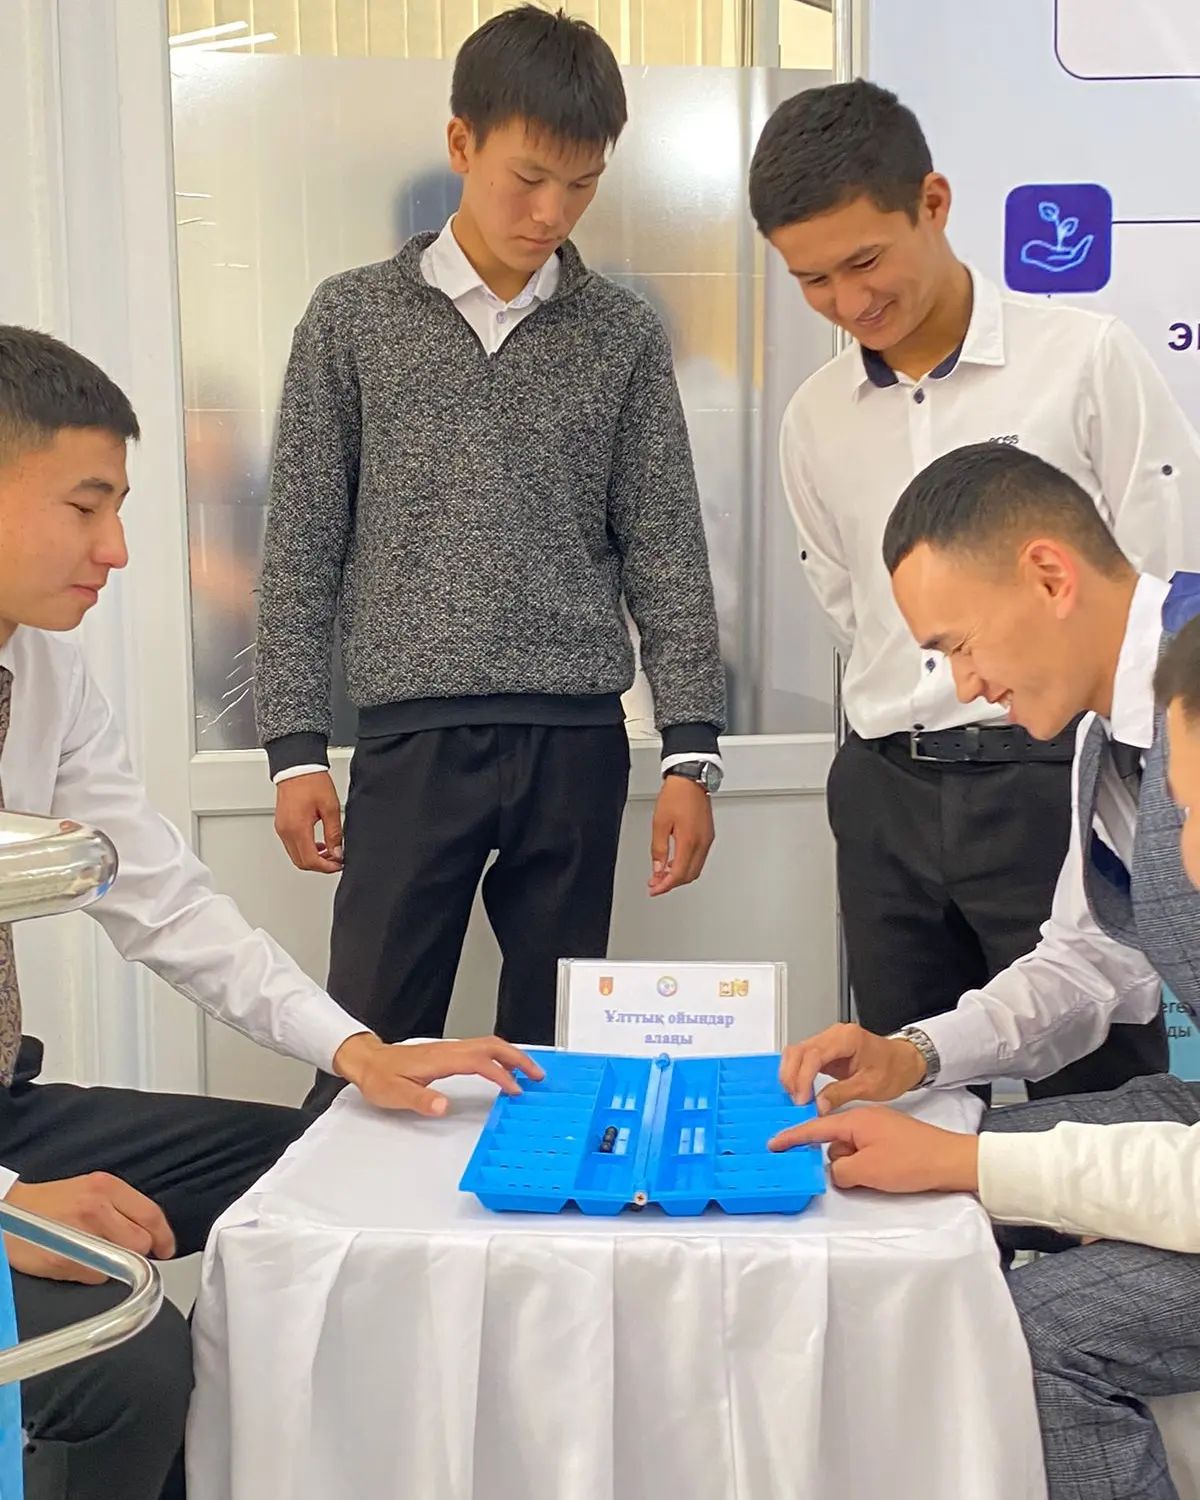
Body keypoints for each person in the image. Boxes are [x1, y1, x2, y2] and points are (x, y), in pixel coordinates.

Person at [0, 325, 542, 1499]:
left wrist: (356, 1050)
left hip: (9, 1106)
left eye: (120, 508)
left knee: (321, 1170)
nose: (117, 550)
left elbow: (161, 898)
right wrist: (6, 1211)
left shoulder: (43, 672)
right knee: (128, 1374)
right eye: (85, 508)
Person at [256, 5, 726, 1108]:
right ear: (461, 143)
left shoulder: (622, 334)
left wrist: (691, 752)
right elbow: (303, 544)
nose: (552, 211)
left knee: (559, 1060)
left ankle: (543, 1220)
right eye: (529, 178)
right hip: (413, 740)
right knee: (369, 1039)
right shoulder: (352, 321)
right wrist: (293, 748)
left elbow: (665, 545)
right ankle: (339, 1219)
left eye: (582, 185)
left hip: (577, 744)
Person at [747, 78, 1200, 1097]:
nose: (849, 302)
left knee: (1104, 1082)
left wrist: (1134, 755)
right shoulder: (815, 417)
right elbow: (852, 608)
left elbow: (1158, 580)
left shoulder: (1080, 360)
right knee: (904, 1096)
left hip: (1055, 770)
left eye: (865, 261)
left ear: (934, 203)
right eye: (812, 280)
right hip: (888, 790)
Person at [773, 442, 1200, 1500]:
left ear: (1050, 576)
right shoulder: (1109, 735)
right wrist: (915, 1057)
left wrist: (968, 1164)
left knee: (1024, 1328)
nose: (962, 687)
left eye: (958, 647)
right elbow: (1091, 960)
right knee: (908, 1181)